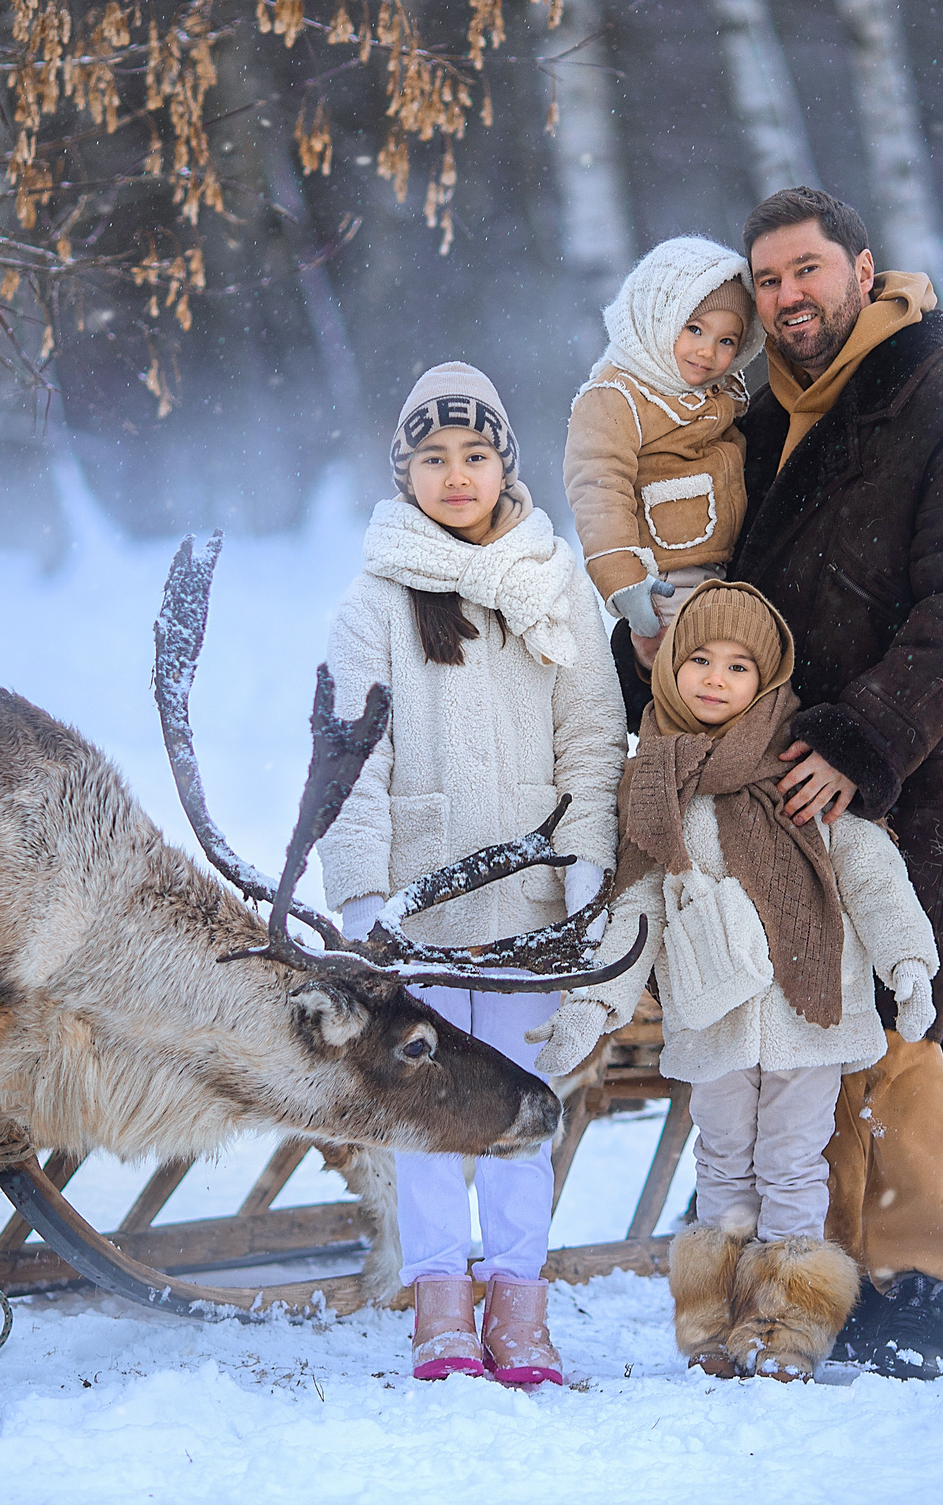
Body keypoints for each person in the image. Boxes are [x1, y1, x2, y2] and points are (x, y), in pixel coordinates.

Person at [610, 188, 943, 1380]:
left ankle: (908, 1289)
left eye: (808, 272)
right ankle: (784, 1285)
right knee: (772, 1031)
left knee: (898, 1034)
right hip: (753, 774)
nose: (788, 298)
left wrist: (868, 734)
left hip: (903, 775)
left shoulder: (941, 405)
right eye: (770, 283)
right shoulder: (764, 416)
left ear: (861, 267)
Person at [531, 581, 939, 1381]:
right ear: (671, 668)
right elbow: (636, 909)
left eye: (738, 665)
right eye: (699, 660)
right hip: (712, 1015)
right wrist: (595, 1005)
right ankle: (716, 1325)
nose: (716, 678)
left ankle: (787, 1326)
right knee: (720, 1162)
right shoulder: (656, 784)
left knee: (791, 1162)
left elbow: (870, 871)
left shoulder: (801, 772)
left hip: (808, 1013)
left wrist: (909, 962)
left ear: (769, 677)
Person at [318, 361, 626, 1387]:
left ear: (507, 463)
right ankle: (441, 1310)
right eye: (434, 458)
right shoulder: (375, 598)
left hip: (530, 912)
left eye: (475, 455)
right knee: (425, 1113)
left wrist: (585, 860)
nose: (456, 476)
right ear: (404, 471)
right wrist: (363, 894)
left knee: (522, 1112)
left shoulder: (555, 582)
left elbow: (592, 734)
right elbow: (347, 754)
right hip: (420, 913)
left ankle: (520, 1315)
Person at [560, 236, 762, 662]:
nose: (709, 351)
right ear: (660, 316)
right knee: (691, 673)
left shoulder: (719, 394)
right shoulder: (617, 395)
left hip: (725, 572)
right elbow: (598, 488)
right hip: (663, 581)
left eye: (728, 341)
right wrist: (623, 578)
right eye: (694, 329)